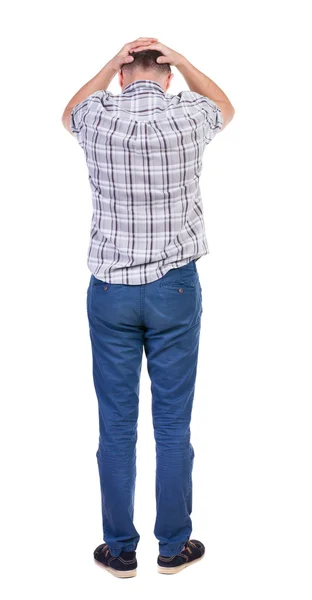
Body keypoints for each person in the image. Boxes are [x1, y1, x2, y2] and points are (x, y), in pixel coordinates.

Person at [61, 37, 235, 578]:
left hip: (110, 291)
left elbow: (66, 113)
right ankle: (172, 547)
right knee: (173, 425)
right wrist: (183, 61)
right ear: (168, 79)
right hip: (174, 291)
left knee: (115, 427)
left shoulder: (97, 118)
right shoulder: (188, 117)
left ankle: (119, 551)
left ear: (119, 78)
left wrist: (105, 64)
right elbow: (226, 106)